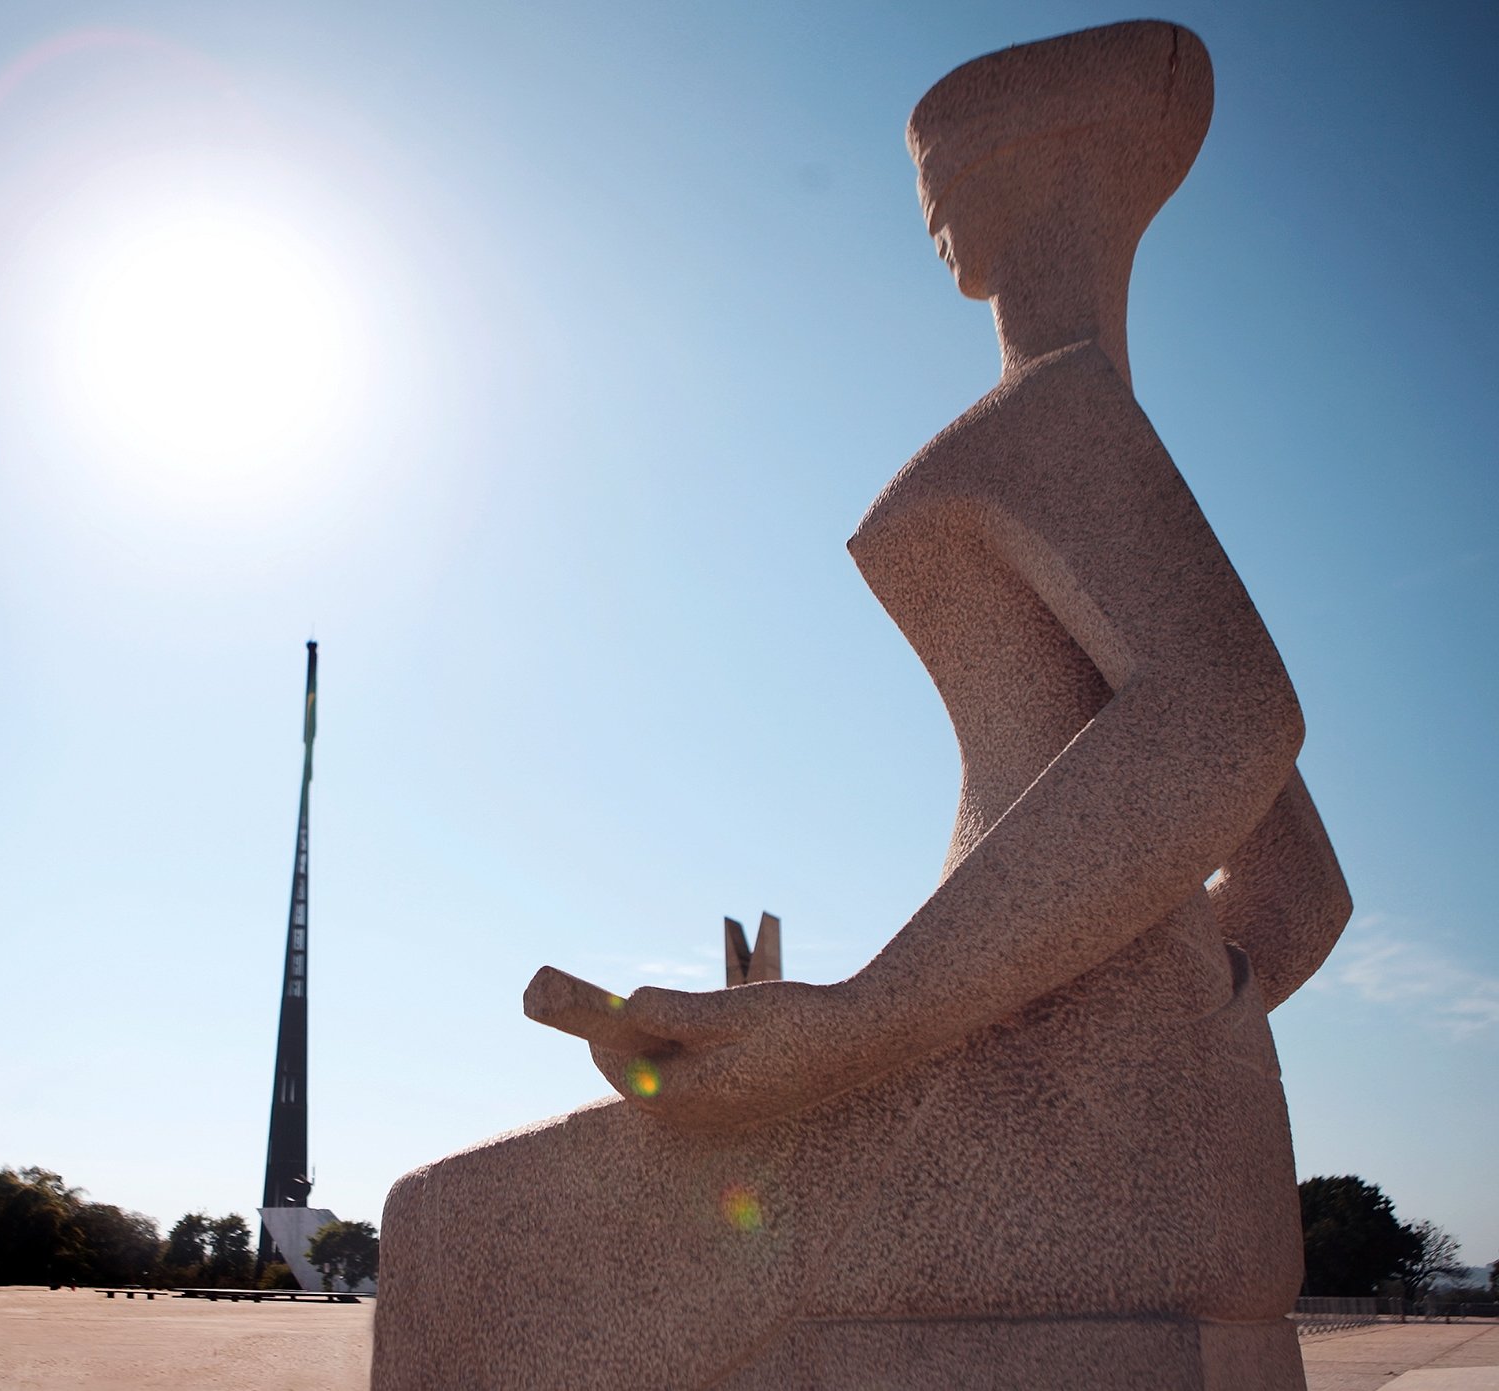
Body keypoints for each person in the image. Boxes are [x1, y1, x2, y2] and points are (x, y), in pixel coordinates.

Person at [372, 22, 1349, 1390]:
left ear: (1033, 166)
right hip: (1192, 1157)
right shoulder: (1107, 430)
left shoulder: (1052, 413)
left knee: (452, 1233)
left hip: (1058, 1152)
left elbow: (1230, 713)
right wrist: (1175, 1033)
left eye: (949, 169)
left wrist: (863, 1026)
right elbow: (1301, 893)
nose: (929, 206)